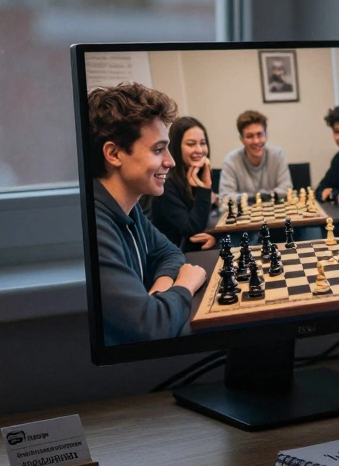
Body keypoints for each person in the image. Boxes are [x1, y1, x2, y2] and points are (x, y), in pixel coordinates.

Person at [89, 83, 208, 345]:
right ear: (113, 153)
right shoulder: (95, 227)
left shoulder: (130, 210)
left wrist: (161, 288)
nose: (171, 161)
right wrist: (184, 285)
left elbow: (169, 252)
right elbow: (151, 326)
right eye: (158, 150)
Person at [150, 116, 218, 251]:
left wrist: (212, 235)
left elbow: (203, 223)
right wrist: (204, 189)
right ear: (176, 147)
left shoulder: (198, 173)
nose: (199, 150)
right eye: (191, 144)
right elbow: (192, 230)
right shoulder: (166, 183)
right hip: (172, 257)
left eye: (203, 143)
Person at [218, 110, 293, 203]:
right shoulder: (230, 161)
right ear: (242, 140)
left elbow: (286, 188)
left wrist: (265, 197)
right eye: (249, 136)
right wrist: (252, 199)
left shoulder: (277, 155)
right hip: (245, 216)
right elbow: (225, 196)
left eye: (259, 134)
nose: (256, 141)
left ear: (266, 135)